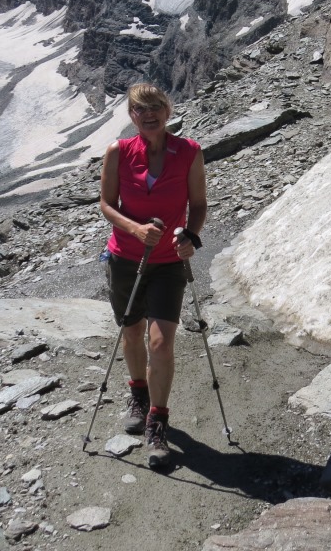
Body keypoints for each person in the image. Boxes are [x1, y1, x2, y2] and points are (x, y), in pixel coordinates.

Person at [99, 82, 207, 469]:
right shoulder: (119, 152)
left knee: (160, 343)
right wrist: (135, 228)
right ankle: (138, 394)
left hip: (168, 262)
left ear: (167, 110)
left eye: (155, 107)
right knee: (132, 333)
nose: (148, 115)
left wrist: (191, 236)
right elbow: (106, 204)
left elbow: (198, 204)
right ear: (131, 115)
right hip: (125, 258)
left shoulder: (189, 151)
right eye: (140, 109)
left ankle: (157, 420)